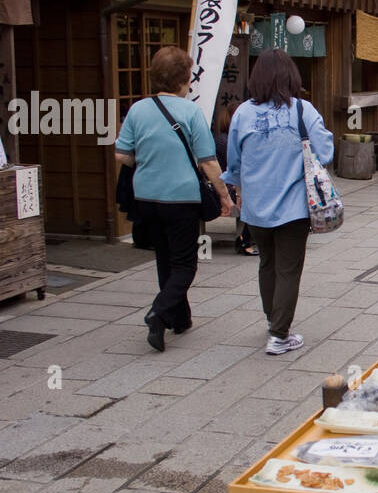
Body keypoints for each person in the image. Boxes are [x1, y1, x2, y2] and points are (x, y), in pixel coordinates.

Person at [115, 47, 233, 352]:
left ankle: (179, 318)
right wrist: (225, 195)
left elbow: (122, 154)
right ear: (184, 80)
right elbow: (208, 161)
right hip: (181, 197)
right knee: (185, 265)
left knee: (164, 258)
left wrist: (149, 160)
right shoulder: (191, 111)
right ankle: (158, 311)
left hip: (146, 197)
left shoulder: (137, 110)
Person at [222, 49, 336, 356]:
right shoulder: (303, 110)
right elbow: (325, 153)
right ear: (291, 77)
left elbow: (233, 161)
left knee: (267, 263)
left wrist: (235, 186)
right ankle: (279, 334)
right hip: (293, 207)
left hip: (255, 206)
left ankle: (273, 320)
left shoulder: (243, 113)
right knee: (288, 269)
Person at [214, 102, 256, 256]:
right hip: (223, 189)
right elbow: (237, 167)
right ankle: (244, 239)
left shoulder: (229, 139)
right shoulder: (224, 141)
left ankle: (247, 237)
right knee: (253, 195)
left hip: (233, 185)